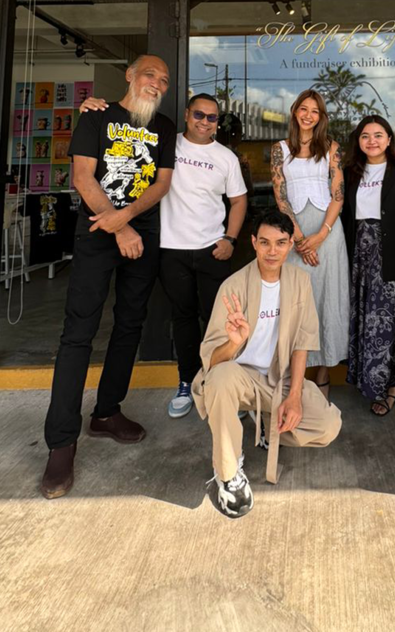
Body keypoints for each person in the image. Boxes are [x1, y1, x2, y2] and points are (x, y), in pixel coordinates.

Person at [41, 55, 176, 500]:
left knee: (129, 325)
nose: (157, 83)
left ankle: (106, 413)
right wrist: (118, 226)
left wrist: (130, 220)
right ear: (131, 77)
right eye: (150, 75)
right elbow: (83, 177)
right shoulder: (96, 115)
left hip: (141, 234)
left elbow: (160, 183)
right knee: (78, 333)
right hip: (98, 234)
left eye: (164, 79)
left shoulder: (164, 128)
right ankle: (62, 443)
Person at [76, 92, 248, 419]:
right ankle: (187, 382)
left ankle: (223, 385)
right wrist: (88, 107)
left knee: (221, 323)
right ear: (187, 115)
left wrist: (230, 238)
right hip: (171, 250)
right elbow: (124, 132)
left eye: (212, 118)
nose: (205, 122)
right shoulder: (167, 141)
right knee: (183, 320)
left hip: (213, 248)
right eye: (199, 115)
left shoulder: (226, 157)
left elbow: (239, 201)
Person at [192, 209, 342, 518]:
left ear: (289, 245)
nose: (272, 251)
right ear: (253, 243)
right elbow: (212, 363)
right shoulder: (233, 286)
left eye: (280, 243)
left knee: (327, 426)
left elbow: (302, 344)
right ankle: (229, 472)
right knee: (219, 380)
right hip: (238, 378)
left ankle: (264, 425)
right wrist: (234, 341)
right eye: (265, 243)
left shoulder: (300, 281)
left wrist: (295, 396)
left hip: (277, 381)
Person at [342, 115, 395, 414]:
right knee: (376, 326)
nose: (372, 141)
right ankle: (388, 386)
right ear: (359, 141)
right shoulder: (351, 172)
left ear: (389, 139)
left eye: (378, 135)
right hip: (363, 261)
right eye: (365, 136)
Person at [270, 89, 349, 397]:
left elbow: (338, 195)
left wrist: (320, 236)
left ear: (321, 117)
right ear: (294, 112)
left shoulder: (331, 148)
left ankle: (324, 374)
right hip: (293, 234)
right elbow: (280, 195)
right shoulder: (279, 149)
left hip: (327, 234)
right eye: (303, 109)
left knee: (327, 299)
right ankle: (294, 379)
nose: (308, 115)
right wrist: (301, 239)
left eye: (315, 111)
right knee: (297, 302)